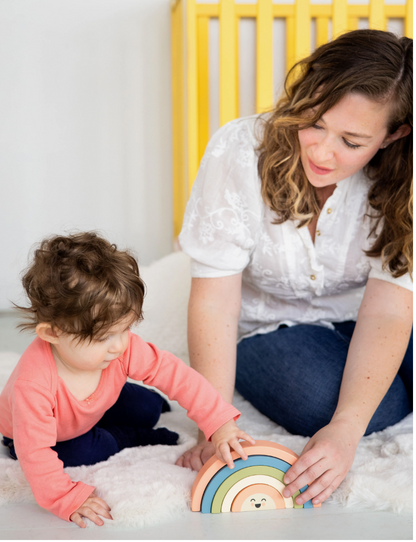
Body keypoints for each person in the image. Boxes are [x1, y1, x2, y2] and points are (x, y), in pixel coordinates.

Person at [176, 29, 413, 508]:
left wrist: (347, 431)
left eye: (351, 141)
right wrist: (215, 421)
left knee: (357, 409)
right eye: (315, 122)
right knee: (351, 404)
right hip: (275, 324)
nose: (322, 152)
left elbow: (389, 309)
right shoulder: (240, 151)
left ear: (394, 135)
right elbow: (216, 299)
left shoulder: (405, 178)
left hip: (368, 311)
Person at [0, 232, 254, 527]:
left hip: (100, 402)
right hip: (53, 433)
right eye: (104, 336)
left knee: (147, 407)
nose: (119, 345)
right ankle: (129, 438)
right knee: (83, 451)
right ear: (52, 333)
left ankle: (136, 416)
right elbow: (37, 456)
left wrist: (219, 423)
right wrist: (66, 498)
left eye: (126, 328)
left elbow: (177, 376)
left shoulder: (120, 347)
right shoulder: (33, 386)